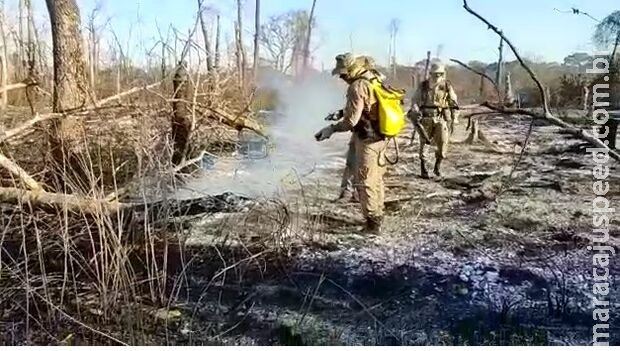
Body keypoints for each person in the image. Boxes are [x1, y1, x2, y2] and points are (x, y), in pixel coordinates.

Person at [314, 53, 387, 234]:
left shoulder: (357, 86)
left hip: (367, 138)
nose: (341, 77)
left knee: (365, 180)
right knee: (376, 178)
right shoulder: (373, 78)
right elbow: (366, 107)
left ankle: (372, 225)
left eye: (343, 73)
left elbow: (351, 122)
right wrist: (341, 112)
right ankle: (377, 214)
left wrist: (331, 129)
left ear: (351, 70)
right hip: (379, 135)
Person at [408, 62, 459, 178]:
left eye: (439, 74)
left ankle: (437, 167)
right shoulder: (424, 86)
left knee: (443, 143)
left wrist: (455, 117)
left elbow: (454, 102)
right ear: (431, 74)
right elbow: (415, 100)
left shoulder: (446, 86)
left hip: (440, 118)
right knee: (424, 143)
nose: (437, 76)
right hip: (426, 118)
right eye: (435, 74)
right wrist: (415, 109)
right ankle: (423, 168)